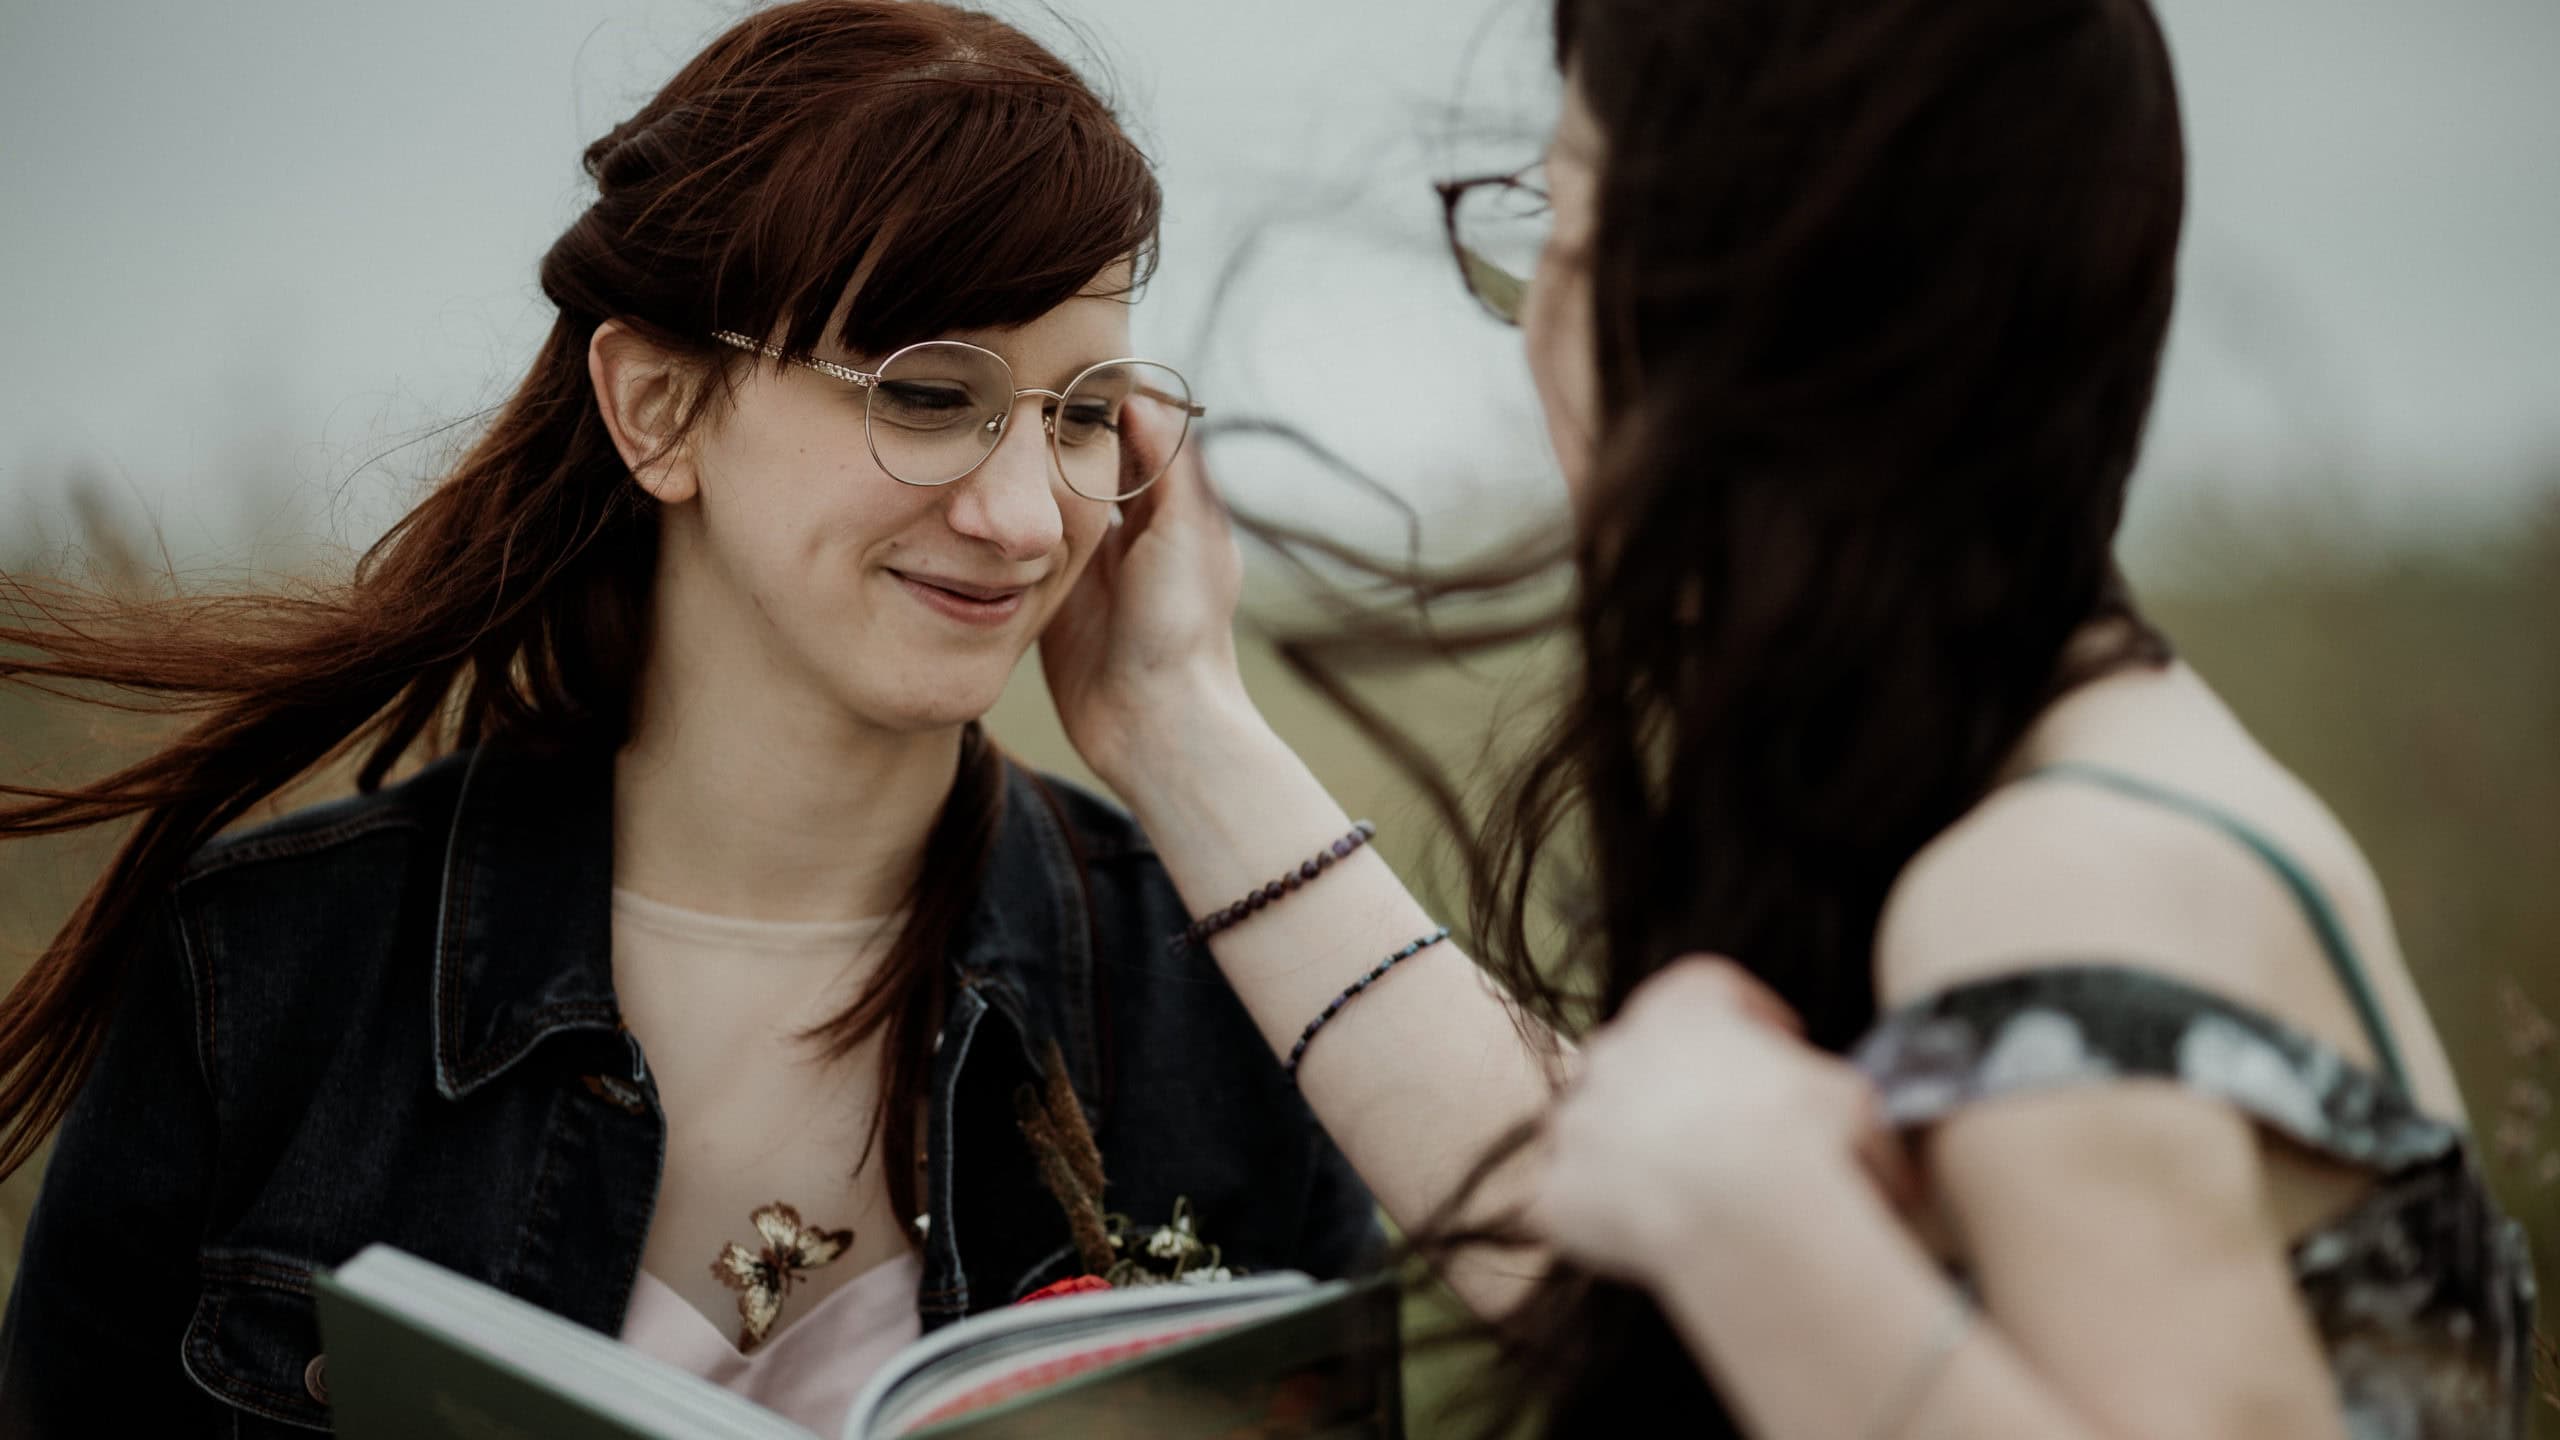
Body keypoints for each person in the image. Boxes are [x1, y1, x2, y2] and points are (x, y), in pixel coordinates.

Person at [1033, 0, 2538, 1436]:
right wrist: (1173, 720)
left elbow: (1744, 1260)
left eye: (1551, 224)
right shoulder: (2090, 778)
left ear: (1722, 310)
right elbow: (1638, 1288)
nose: (1535, 322)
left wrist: (1750, 1215)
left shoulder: (2053, 896)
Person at [0, 5, 1383, 1434]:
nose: (1025, 516)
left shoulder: (1223, 1000)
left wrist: (1182, 720)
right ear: (656, 407)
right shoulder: (268, 980)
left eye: (1080, 415)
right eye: (925, 394)